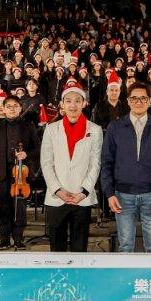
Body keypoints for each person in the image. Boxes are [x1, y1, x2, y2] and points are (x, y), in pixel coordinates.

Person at [101, 83, 151, 253]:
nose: (139, 102)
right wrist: (109, 193)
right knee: (125, 247)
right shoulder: (115, 127)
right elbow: (106, 162)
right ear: (128, 101)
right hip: (122, 196)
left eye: (143, 98)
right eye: (134, 98)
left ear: (149, 101)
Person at [39, 80, 103, 252]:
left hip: (81, 197)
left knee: (79, 247)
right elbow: (46, 162)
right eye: (68, 101)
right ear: (62, 104)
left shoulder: (95, 130)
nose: (73, 105)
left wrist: (84, 191)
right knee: (56, 247)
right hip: (56, 197)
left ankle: (78, 279)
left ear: (84, 103)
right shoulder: (51, 129)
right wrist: (57, 189)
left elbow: (95, 163)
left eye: (77, 100)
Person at [0, 95, 38, 248]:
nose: (12, 108)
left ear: (20, 108)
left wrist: (26, 154)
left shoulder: (28, 126)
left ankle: (18, 239)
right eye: (8, 106)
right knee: (3, 206)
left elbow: (38, 148)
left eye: (15, 105)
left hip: (21, 173)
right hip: (2, 173)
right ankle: (4, 239)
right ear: (3, 108)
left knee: (19, 207)